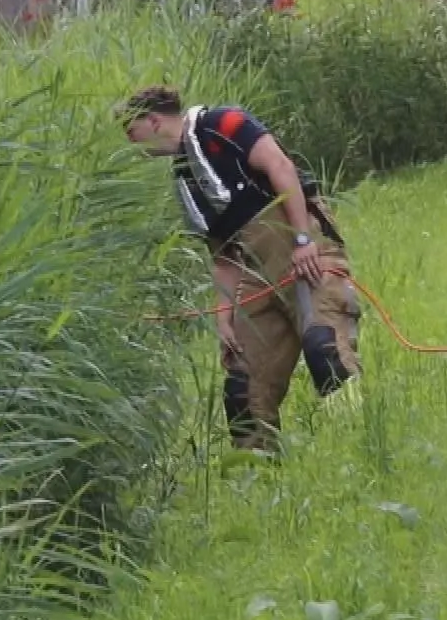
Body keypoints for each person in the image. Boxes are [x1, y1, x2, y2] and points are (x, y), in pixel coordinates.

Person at [119, 85, 362, 454]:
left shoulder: (223, 124)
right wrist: (225, 315)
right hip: (256, 272)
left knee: (325, 353)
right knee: (242, 391)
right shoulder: (185, 178)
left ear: (153, 121)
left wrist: (302, 240)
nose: (130, 142)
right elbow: (222, 254)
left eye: (131, 131)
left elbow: (281, 167)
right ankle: (258, 472)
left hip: (305, 249)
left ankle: (364, 445)